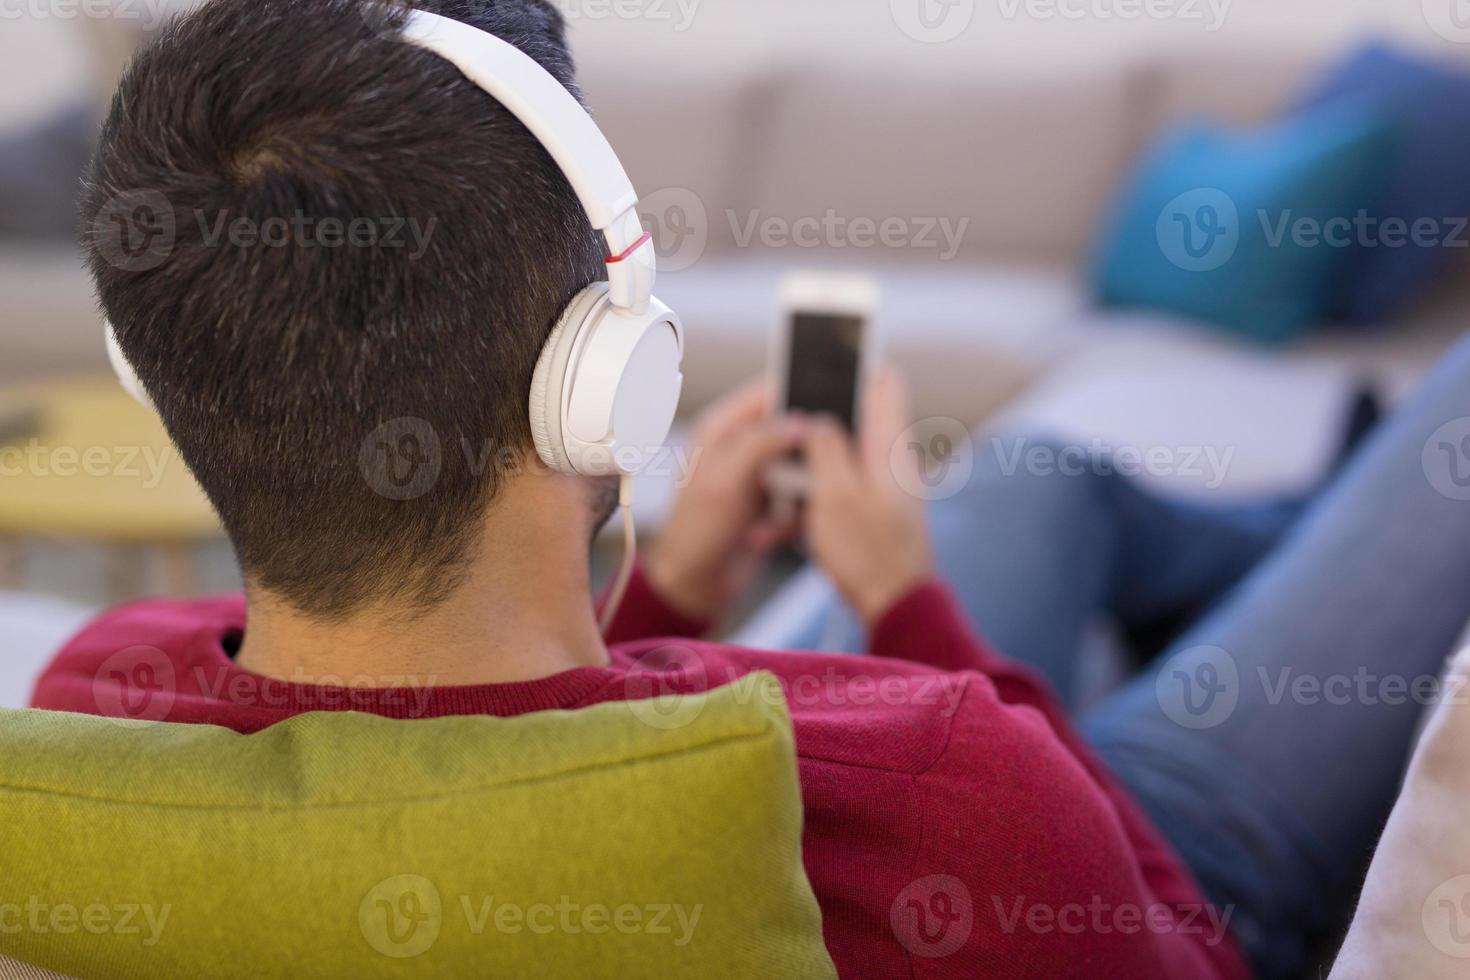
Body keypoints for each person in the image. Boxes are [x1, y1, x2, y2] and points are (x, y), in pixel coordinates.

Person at [32, 0, 1470, 976]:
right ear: (606, 383)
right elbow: (1173, 949)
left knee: (1041, 479)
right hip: (1152, 849)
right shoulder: (939, 771)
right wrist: (905, 605)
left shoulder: (108, 698)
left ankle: (1292, 514)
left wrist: (670, 595)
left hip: (761, 674)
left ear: (167, 373)